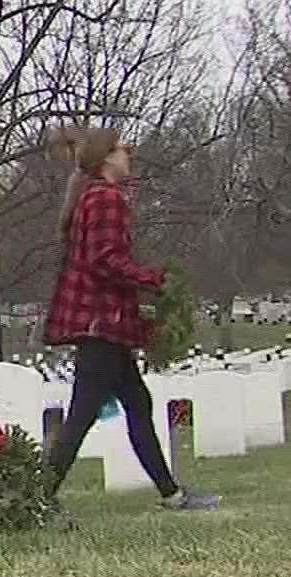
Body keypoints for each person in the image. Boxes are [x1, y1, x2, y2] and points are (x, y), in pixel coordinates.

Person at [42, 127, 218, 512]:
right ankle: (37, 497)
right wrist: (154, 279)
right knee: (83, 413)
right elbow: (105, 261)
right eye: (124, 149)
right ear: (107, 157)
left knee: (137, 402)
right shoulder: (106, 198)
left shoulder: (92, 196)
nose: (129, 155)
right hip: (102, 321)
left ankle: (171, 493)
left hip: (103, 321)